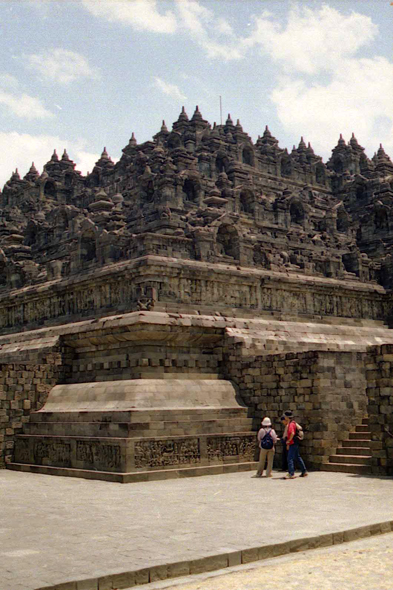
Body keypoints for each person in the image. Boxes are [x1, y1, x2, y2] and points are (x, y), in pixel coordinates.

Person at [283, 411, 308, 479]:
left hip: (292, 442)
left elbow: (292, 433)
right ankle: (304, 471)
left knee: (290, 458)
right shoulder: (293, 423)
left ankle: (291, 473)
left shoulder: (291, 424)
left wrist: (288, 441)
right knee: (297, 456)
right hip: (295, 442)